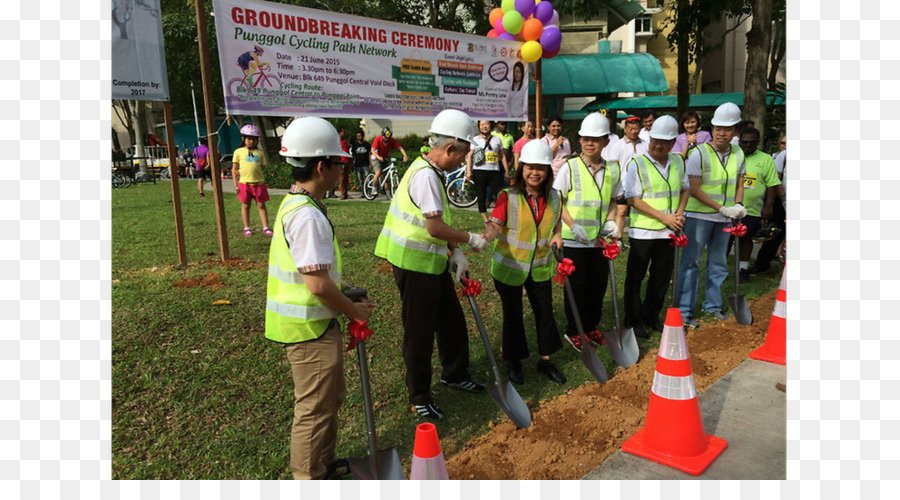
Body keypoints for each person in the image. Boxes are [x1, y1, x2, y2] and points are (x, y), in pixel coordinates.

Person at [266, 116, 375, 480]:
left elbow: (314, 276)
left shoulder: (297, 204)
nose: (341, 168)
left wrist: (342, 296)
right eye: (337, 162)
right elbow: (315, 285)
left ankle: (323, 467)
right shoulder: (307, 216)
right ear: (319, 166)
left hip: (314, 324)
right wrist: (353, 311)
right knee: (314, 410)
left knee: (329, 401)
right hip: (307, 330)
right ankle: (308, 479)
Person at [374, 109, 488, 420]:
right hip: (414, 264)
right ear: (450, 148)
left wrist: (455, 252)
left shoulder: (430, 169)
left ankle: (454, 373)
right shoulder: (425, 175)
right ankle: (419, 395)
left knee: (451, 320)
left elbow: (440, 223)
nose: (463, 162)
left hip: (433, 261)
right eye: (463, 155)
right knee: (420, 332)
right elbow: (434, 228)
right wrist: (470, 239)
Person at [481, 139, 566, 385]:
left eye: (541, 167)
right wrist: (482, 239)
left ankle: (546, 360)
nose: (535, 172)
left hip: (540, 268)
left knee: (544, 313)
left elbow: (556, 222)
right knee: (513, 315)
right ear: (522, 168)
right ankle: (514, 361)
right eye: (530, 166)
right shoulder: (507, 196)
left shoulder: (555, 197)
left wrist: (558, 235)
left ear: (548, 170)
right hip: (510, 269)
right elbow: (495, 226)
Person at [552, 112, 623, 350]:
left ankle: (591, 326)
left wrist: (612, 222)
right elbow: (557, 201)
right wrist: (572, 225)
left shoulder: (613, 170)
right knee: (577, 287)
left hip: (599, 241)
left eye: (595, 139)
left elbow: (614, 200)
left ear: (606, 141)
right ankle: (574, 331)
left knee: (597, 286)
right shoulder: (569, 168)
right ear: (580, 140)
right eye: (585, 139)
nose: (589, 143)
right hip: (574, 240)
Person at [675, 102, 747, 328]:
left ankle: (713, 305)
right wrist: (722, 208)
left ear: (735, 131)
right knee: (691, 263)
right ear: (712, 129)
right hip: (699, 217)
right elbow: (694, 189)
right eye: (717, 128)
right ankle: (685, 310)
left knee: (719, 263)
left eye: (727, 129)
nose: (721, 132)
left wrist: (738, 205)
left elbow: (740, 183)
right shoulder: (699, 153)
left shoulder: (739, 153)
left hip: (724, 219)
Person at [622, 115, 689, 338]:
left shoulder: (678, 161)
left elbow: (685, 189)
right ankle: (632, 320)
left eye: (664, 142)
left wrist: (679, 214)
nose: (657, 145)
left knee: (661, 277)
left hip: (669, 231)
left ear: (672, 143)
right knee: (635, 277)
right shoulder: (637, 164)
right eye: (654, 140)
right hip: (643, 232)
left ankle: (651, 315)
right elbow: (633, 199)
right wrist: (664, 217)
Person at [736, 126, 783, 283]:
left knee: (746, 237)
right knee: (726, 238)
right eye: (745, 142)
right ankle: (720, 268)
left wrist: (768, 206)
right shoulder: (732, 155)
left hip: (752, 209)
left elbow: (771, 184)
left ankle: (742, 268)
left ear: (757, 143)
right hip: (728, 207)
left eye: (752, 142)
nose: (748, 145)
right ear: (739, 140)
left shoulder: (766, 159)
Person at [606, 115, 649, 241]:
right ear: (625, 129)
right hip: (623, 185)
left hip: (642, 185)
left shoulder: (646, 145)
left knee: (641, 211)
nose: (633, 131)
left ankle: (638, 236)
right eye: (630, 128)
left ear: (640, 129)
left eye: (636, 128)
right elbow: (614, 166)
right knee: (621, 212)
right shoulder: (618, 145)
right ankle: (618, 238)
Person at [751, 137, 787, 274]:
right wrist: (783, 200)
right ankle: (762, 264)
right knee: (776, 233)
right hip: (783, 201)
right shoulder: (783, 156)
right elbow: (775, 179)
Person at [231, 124, 272, 236]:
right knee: (245, 205)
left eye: (254, 139)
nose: (251, 141)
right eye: (249, 139)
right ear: (243, 139)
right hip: (244, 184)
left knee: (261, 205)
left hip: (259, 183)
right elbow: (234, 170)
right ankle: (247, 227)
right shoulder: (238, 152)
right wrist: (236, 185)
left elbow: (261, 167)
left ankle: (266, 227)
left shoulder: (260, 153)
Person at [467, 120, 510, 223]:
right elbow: (470, 156)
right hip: (479, 171)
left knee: (500, 195)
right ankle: (486, 220)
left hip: (494, 171)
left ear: (491, 125)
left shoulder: (497, 139)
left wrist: (507, 171)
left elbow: (502, 156)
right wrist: (469, 171)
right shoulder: (475, 139)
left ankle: (499, 216)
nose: (484, 127)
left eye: (486, 124)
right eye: (481, 125)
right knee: (481, 195)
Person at [370, 127, 407, 196]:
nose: (387, 139)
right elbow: (372, 150)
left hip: (385, 158)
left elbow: (400, 148)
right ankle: (373, 189)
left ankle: (388, 194)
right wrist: (378, 156)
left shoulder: (391, 140)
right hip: (376, 158)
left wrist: (405, 155)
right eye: (386, 138)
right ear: (382, 135)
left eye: (388, 138)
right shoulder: (378, 139)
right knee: (378, 173)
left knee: (386, 177)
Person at [350, 131, 372, 197]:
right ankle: (363, 193)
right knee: (360, 180)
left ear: (363, 136)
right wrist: (352, 163)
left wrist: (370, 164)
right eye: (357, 136)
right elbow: (353, 155)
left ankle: (369, 192)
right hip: (358, 165)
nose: (358, 137)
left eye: (360, 136)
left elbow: (370, 155)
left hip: (366, 164)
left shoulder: (367, 145)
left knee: (368, 180)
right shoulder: (355, 145)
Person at [336, 127, 353, 200]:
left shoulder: (344, 140)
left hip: (347, 161)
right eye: (343, 132)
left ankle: (346, 193)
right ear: (339, 133)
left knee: (346, 178)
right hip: (342, 161)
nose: (345, 133)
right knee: (342, 178)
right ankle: (342, 193)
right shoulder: (337, 141)